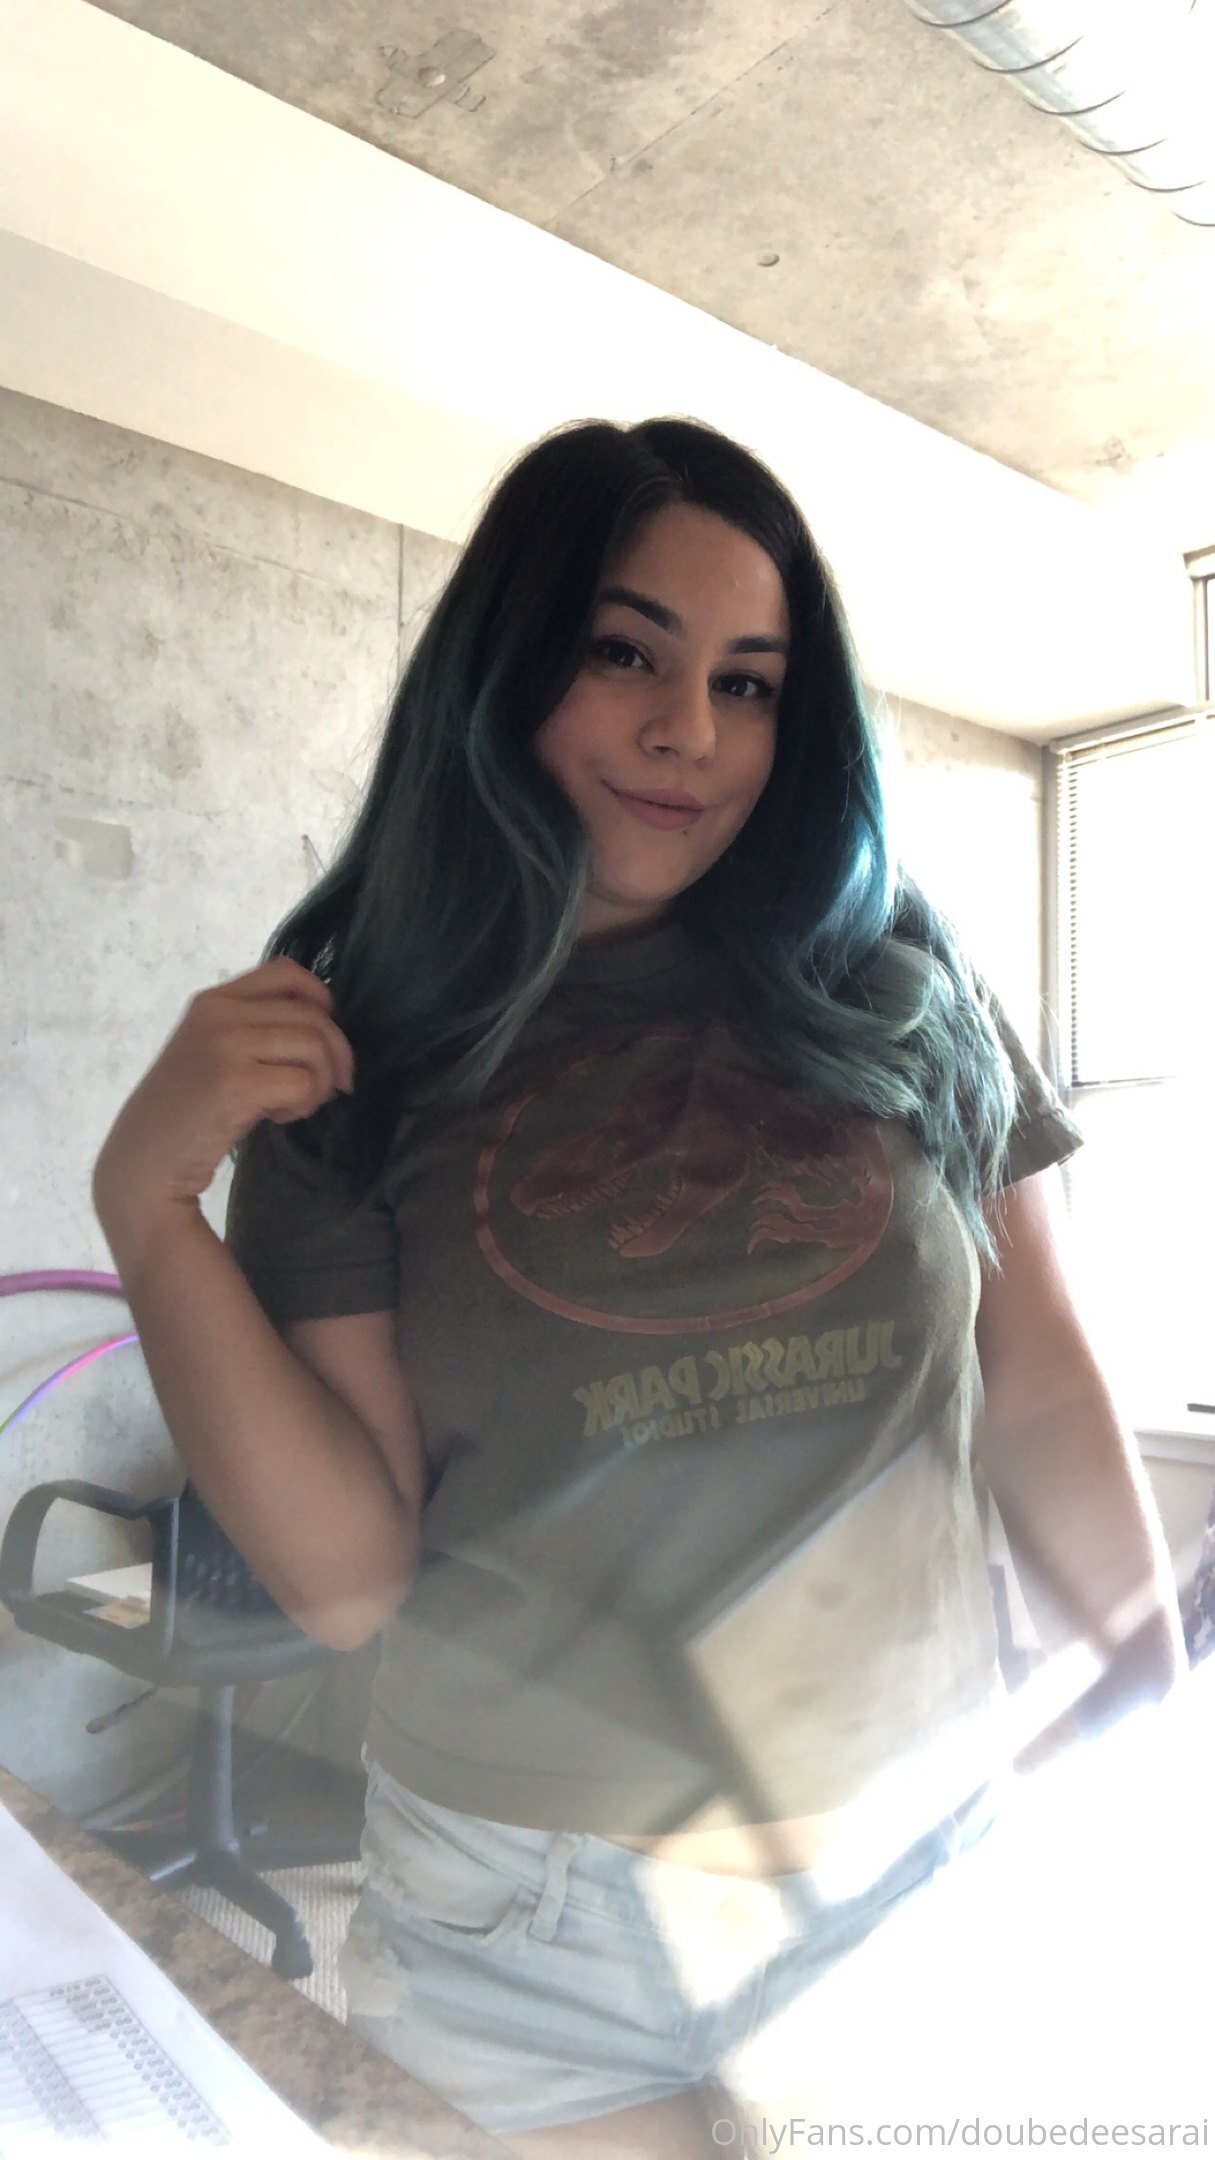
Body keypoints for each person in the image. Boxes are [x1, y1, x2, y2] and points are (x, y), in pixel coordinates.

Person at [92, 418, 1183, 2156]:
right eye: (626, 655)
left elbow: (1036, 1366)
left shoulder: (902, 980)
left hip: (907, 1876)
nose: (693, 731)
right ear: (508, 666)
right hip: (522, 1928)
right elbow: (352, 1579)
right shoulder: (357, 1045)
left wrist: (1137, 1690)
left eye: (749, 683)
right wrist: (148, 1207)